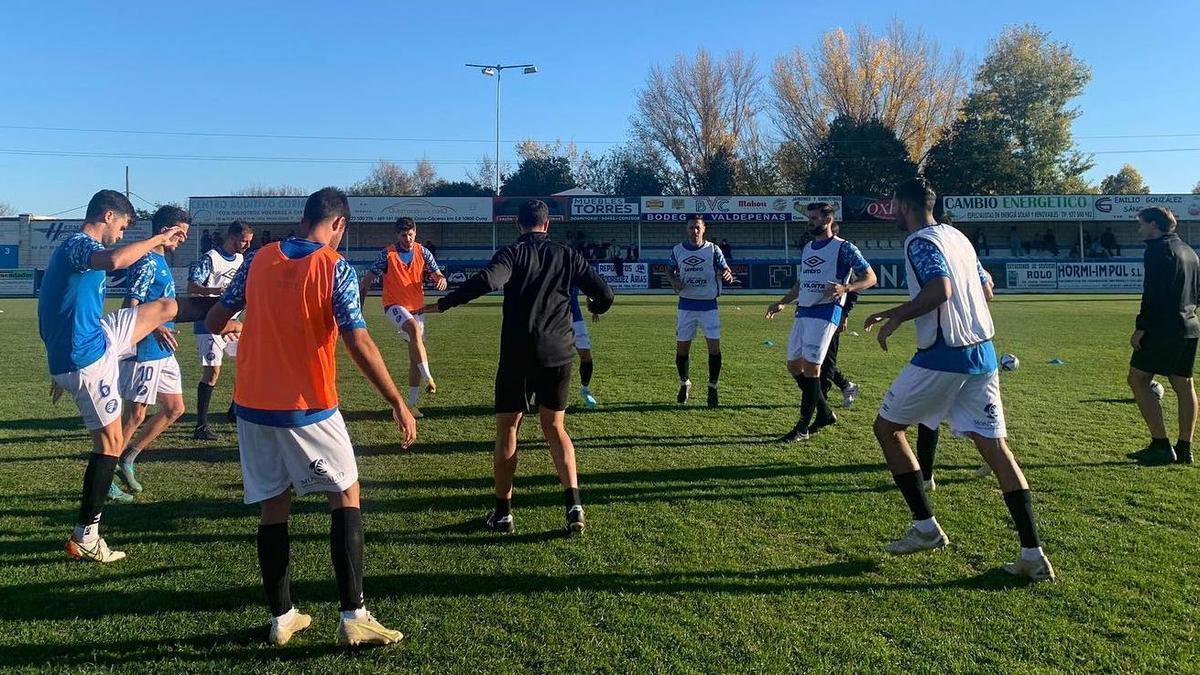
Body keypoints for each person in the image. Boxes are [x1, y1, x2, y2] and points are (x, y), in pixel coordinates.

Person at [205, 188, 416, 647]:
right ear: (338, 224)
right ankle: (354, 615)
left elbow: (217, 319)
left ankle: (283, 617)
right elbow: (357, 341)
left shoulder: (258, 259)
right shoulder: (334, 267)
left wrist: (247, 325)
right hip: (307, 407)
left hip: (252, 406)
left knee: (273, 505)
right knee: (345, 494)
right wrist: (397, 400)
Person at [862, 177, 1054, 581]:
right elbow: (987, 287)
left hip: (944, 354)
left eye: (894, 205)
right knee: (997, 451)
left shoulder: (919, 241)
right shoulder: (959, 237)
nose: (892, 211)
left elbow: (941, 289)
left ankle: (925, 528)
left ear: (904, 205)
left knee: (887, 428)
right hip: (982, 354)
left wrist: (896, 316)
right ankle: (1032, 555)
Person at [421, 199, 614, 536]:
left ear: (518, 225)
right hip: (559, 353)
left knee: (508, 430)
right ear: (548, 224)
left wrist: (445, 303)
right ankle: (574, 507)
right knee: (555, 428)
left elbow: (488, 281)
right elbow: (605, 295)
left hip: (518, 353)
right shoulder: (567, 254)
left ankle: (503, 514)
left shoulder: (512, 253)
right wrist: (595, 304)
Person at [40, 190, 186, 563]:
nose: (121, 232)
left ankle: (221, 317)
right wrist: (157, 239)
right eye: (121, 225)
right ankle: (86, 536)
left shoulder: (76, 252)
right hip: (86, 358)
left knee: (166, 307)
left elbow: (56, 308)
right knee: (110, 442)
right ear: (107, 216)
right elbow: (118, 259)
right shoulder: (78, 245)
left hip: (97, 338)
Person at [768, 203, 876, 442]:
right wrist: (783, 302)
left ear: (828, 220)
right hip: (803, 311)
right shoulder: (808, 248)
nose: (810, 222)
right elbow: (802, 283)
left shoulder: (844, 248)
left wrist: (846, 287)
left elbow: (870, 277)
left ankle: (802, 428)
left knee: (812, 369)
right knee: (794, 365)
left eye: (815, 218)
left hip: (826, 312)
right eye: (809, 218)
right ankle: (825, 412)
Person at [112, 206, 191, 498]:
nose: (182, 239)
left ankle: (128, 457)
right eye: (180, 233)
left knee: (175, 408)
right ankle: (105, 474)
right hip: (145, 348)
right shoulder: (146, 261)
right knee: (135, 415)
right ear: (164, 230)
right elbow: (131, 307)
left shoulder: (160, 260)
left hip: (163, 350)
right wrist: (157, 327)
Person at [1127, 207, 1200, 465]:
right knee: (1184, 384)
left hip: (1163, 328)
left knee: (1137, 379)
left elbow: (1153, 294)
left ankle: (1160, 445)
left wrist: (1141, 327)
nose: (1139, 230)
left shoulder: (1157, 251)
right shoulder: (1190, 251)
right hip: (1190, 326)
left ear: (1155, 225)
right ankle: (1184, 448)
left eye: (1142, 224)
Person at [359, 217, 447, 417]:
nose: (407, 238)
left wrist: (441, 280)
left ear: (415, 233)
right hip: (394, 306)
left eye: (410, 234)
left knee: (414, 356)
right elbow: (366, 282)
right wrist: (359, 307)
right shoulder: (386, 255)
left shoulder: (423, 252)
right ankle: (429, 378)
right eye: (403, 235)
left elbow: (437, 274)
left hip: (417, 309)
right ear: (396, 235)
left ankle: (411, 405)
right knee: (413, 329)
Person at [188, 220, 254, 440]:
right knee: (212, 372)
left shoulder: (242, 259)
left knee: (246, 366)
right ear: (232, 237)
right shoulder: (211, 258)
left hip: (232, 323)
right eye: (243, 241)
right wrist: (215, 290)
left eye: (248, 242)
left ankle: (234, 411)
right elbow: (192, 286)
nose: (246, 245)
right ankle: (201, 426)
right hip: (209, 322)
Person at [669, 214, 734, 407]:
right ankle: (684, 383)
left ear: (704, 229)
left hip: (709, 306)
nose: (694, 231)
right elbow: (669, 269)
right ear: (686, 229)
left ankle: (713, 388)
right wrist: (674, 281)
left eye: (697, 227)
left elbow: (726, 269)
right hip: (686, 305)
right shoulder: (678, 250)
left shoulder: (713, 249)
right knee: (682, 349)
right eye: (691, 227)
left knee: (714, 348)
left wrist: (727, 274)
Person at [571, 287, 599, 408]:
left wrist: (594, 308)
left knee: (586, 356)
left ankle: (585, 389)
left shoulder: (574, 269)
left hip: (576, 319)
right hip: (552, 320)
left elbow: (589, 291)